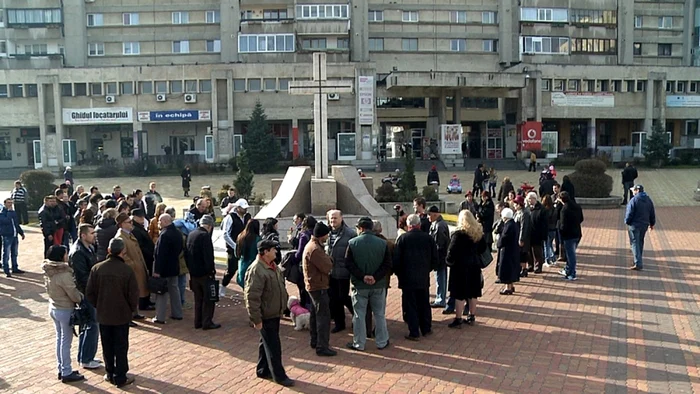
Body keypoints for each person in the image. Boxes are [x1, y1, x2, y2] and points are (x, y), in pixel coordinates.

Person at [85, 238, 139, 388]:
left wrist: (99, 305)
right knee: (121, 346)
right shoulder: (127, 270)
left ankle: (110, 373)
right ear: (123, 252)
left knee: (107, 344)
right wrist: (131, 309)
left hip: (104, 314)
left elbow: (89, 293)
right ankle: (120, 376)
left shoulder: (97, 269)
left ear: (109, 250)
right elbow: (133, 295)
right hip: (121, 315)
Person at [244, 239, 295, 387]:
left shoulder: (272, 266)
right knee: (273, 346)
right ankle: (279, 376)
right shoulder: (256, 270)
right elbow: (252, 297)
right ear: (265, 252)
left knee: (265, 342)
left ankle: (262, 369)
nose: (276, 252)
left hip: (274, 312)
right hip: (266, 315)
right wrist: (256, 319)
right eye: (273, 250)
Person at [345, 217, 391, 351]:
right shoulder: (383, 243)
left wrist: (363, 276)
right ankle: (382, 341)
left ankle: (359, 343)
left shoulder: (352, 243)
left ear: (360, 228)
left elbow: (348, 263)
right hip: (378, 285)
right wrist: (375, 277)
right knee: (379, 314)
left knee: (359, 315)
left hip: (359, 285)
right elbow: (387, 264)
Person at [43, 245, 86, 383]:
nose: (67, 256)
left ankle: (62, 368)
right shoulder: (64, 274)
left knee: (60, 340)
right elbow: (73, 294)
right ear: (61, 256)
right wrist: (81, 297)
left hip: (54, 307)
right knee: (66, 342)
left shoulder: (48, 271)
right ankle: (66, 371)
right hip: (65, 309)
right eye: (65, 254)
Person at [393, 214, 438, 341]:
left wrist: (399, 273)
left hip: (407, 277)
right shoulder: (428, 238)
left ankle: (414, 331)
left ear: (408, 225)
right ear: (419, 224)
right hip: (423, 276)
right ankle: (426, 328)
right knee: (424, 302)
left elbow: (396, 260)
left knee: (411, 304)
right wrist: (427, 269)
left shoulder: (403, 239)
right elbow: (435, 258)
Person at [68, 223, 102, 370]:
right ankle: (86, 359)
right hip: (87, 294)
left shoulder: (88, 248)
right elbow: (83, 277)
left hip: (91, 292)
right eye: (91, 233)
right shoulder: (78, 252)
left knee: (89, 325)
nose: (94, 235)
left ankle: (85, 356)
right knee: (91, 325)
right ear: (83, 235)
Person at [445, 210, 487, 328]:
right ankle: (471, 316)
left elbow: (452, 251)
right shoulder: (478, 232)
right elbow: (483, 248)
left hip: (460, 267)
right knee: (473, 292)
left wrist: (449, 261)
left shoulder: (458, 234)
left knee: (459, 293)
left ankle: (458, 319)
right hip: (474, 265)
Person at [302, 222, 337, 357]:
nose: (328, 236)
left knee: (315, 314)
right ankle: (322, 346)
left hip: (313, 285)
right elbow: (327, 266)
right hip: (318, 286)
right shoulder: (315, 249)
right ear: (322, 235)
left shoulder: (313, 246)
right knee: (323, 316)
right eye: (326, 234)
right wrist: (330, 260)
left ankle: (315, 341)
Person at [185, 215, 220, 330]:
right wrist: (211, 271)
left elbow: (186, 254)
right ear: (210, 226)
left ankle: (198, 321)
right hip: (205, 273)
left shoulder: (191, 234)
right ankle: (207, 322)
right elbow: (208, 257)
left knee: (198, 299)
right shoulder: (205, 236)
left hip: (193, 273)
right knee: (208, 299)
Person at [114, 213, 149, 326]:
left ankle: (135, 313)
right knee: (129, 293)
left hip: (137, 268)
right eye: (129, 222)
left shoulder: (129, 234)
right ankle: (128, 317)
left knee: (135, 292)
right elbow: (123, 255)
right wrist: (133, 265)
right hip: (131, 270)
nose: (131, 224)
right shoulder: (120, 237)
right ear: (121, 224)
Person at [326, 209, 355, 333]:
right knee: (333, 299)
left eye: (335, 218)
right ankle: (339, 323)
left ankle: (357, 312)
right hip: (330, 272)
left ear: (341, 218)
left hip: (344, 272)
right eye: (331, 218)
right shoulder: (326, 233)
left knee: (342, 297)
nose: (333, 221)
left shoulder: (350, 234)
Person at [152, 214, 184, 324]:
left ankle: (160, 317)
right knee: (174, 290)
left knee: (161, 292)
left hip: (164, 269)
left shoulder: (164, 235)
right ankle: (177, 313)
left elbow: (160, 254)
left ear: (165, 221)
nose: (159, 223)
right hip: (174, 266)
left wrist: (157, 271)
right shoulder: (178, 233)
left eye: (160, 221)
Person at [221, 199, 251, 290]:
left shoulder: (248, 217)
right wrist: (235, 246)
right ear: (238, 208)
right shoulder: (230, 217)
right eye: (243, 208)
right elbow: (225, 234)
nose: (245, 210)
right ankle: (223, 286)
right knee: (231, 269)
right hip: (232, 249)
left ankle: (245, 288)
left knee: (246, 269)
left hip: (245, 248)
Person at [624, 184, 655, 271]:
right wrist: (652, 223)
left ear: (637, 190)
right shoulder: (648, 200)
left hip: (634, 225)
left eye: (633, 190)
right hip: (644, 225)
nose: (633, 192)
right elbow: (652, 212)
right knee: (640, 242)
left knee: (634, 243)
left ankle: (638, 262)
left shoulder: (634, 200)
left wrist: (627, 221)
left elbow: (629, 213)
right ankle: (638, 259)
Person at [427, 206, 451, 312]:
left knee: (440, 277)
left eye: (429, 214)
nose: (428, 217)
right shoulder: (437, 223)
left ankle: (441, 299)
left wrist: (434, 256)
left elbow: (439, 244)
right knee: (439, 277)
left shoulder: (440, 225)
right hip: (440, 256)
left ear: (435, 214)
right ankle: (439, 297)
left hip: (440, 256)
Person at [558, 191, 584, 281]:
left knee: (570, 255)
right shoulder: (577, 206)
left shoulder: (564, 209)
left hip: (568, 235)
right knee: (571, 253)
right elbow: (581, 218)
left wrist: (561, 234)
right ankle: (568, 269)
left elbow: (563, 225)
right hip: (577, 233)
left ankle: (572, 273)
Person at [497, 208, 520, 294]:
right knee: (511, 268)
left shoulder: (508, 226)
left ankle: (508, 287)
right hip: (513, 250)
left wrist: (498, 244)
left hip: (507, 251)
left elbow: (504, 238)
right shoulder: (513, 224)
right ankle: (511, 285)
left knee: (507, 269)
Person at [0, 198, 25, 277]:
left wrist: (21, 232)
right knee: (6, 253)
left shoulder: (13, 212)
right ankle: (6, 269)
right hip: (7, 235)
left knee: (14, 253)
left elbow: (16, 223)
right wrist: (10, 212)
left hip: (14, 235)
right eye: (8, 203)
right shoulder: (2, 213)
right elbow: (6, 221)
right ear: (5, 204)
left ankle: (15, 267)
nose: (10, 204)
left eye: (11, 203)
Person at [130, 209, 155, 281]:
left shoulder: (139, 227)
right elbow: (140, 246)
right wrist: (150, 253)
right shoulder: (135, 230)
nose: (142, 218)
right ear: (134, 217)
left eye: (143, 217)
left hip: (147, 257)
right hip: (145, 258)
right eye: (140, 217)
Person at [236, 219, 262, 289]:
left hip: (242, 263)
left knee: (244, 286)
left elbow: (236, 253)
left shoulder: (240, 236)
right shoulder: (258, 239)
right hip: (253, 266)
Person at [526, 192, 548, 274]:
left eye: (530, 199)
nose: (528, 201)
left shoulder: (541, 209)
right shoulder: (528, 208)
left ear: (534, 199)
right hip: (529, 234)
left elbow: (545, 224)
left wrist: (544, 235)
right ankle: (530, 265)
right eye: (528, 200)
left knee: (537, 252)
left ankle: (538, 266)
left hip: (537, 234)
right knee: (529, 251)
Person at [512, 196, 532, 278]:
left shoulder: (524, 214)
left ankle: (524, 269)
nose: (514, 205)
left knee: (523, 253)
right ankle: (521, 268)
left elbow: (524, 227)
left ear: (520, 204)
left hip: (522, 237)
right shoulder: (517, 213)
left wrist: (521, 239)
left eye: (516, 204)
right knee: (519, 253)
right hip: (516, 236)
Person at [542, 195, 558, 267]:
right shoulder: (554, 209)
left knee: (546, 245)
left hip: (547, 229)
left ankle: (547, 260)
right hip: (553, 228)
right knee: (550, 244)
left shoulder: (545, 210)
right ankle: (553, 259)